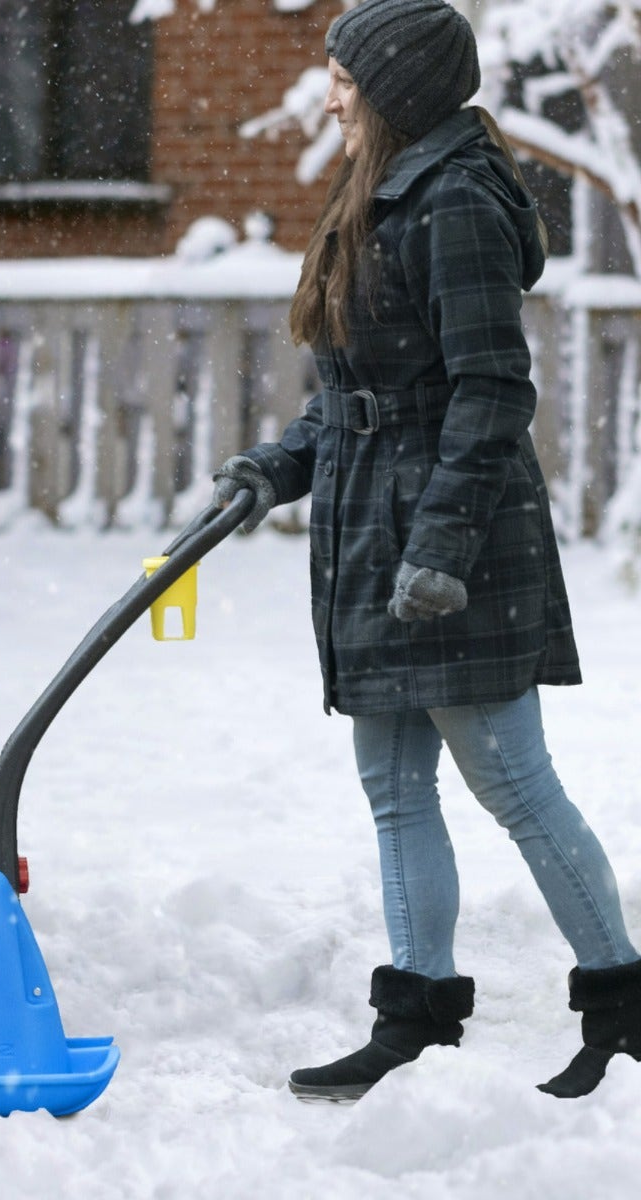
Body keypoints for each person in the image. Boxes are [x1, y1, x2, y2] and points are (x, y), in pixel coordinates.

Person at [212, 0, 640, 1101]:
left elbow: (491, 392)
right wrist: (276, 465)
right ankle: (414, 1017)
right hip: (376, 531)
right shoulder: (382, 191)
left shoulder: (454, 202)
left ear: (396, 85)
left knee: (513, 783)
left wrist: (439, 545)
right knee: (396, 786)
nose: (332, 92)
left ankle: (627, 1009)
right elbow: (363, 396)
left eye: (346, 74)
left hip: (457, 542)